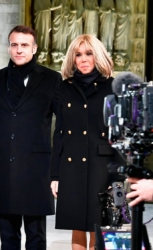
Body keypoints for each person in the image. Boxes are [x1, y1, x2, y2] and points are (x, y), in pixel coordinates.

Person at [0, 25, 61, 250]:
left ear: (34, 48)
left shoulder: (51, 78)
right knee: (8, 238)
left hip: (37, 168)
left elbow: (64, 124)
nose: (19, 50)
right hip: (5, 165)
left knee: (36, 237)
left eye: (24, 45)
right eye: (14, 45)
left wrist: (59, 171)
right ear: (9, 48)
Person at [50, 34, 120, 250]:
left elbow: (119, 136)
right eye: (78, 54)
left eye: (89, 53)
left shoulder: (113, 88)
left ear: (98, 56)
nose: (83, 59)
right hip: (72, 168)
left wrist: (118, 177)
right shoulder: (64, 88)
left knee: (100, 230)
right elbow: (59, 133)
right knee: (76, 226)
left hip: (102, 168)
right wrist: (55, 175)